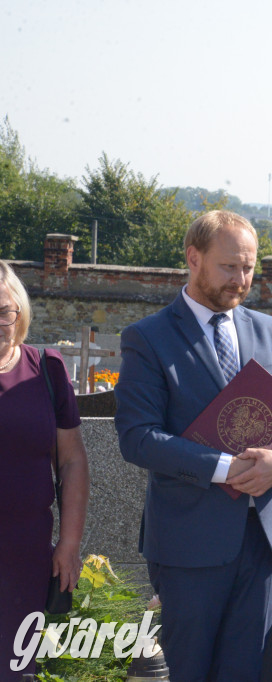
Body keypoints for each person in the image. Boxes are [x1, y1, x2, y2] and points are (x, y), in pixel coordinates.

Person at [115, 210, 272, 680]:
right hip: (190, 542)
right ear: (193, 258)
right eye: (229, 267)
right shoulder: (148, 338)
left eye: (248, 268)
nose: (241, 280)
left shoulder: (271, 331)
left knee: (244, 671)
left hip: (264, 538)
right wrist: (227, 468)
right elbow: (138, 437)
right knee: (185, 670)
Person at [0, 261, 89, 682]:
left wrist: (68, 545)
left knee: (16, 669)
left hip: (25, 555)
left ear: (20, 312)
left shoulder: (46, 369)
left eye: (4, 311)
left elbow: (71, 461)